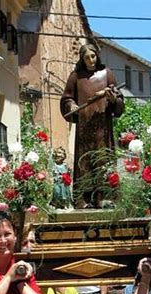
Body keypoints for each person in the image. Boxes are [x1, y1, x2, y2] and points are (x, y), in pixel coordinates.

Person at [60, 43, 124, 207]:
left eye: (93, 56)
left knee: (103, 160)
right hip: (84, 127)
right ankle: (84, 200)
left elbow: (118, 99)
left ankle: (104, 197)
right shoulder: (76, 76)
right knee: (85, 162)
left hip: (102, 126)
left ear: (97, 56)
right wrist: (71, 105)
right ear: (82, 59)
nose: (90, 60)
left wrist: (111, 99)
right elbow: (67, 97)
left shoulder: (107, 74)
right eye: (86, 57)